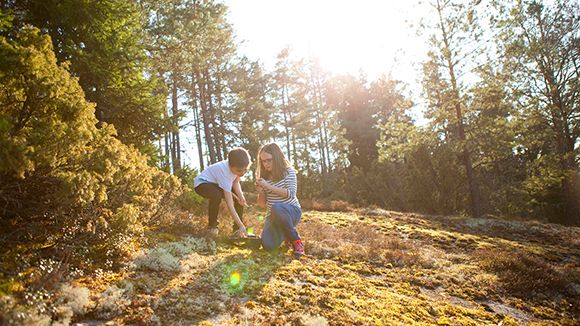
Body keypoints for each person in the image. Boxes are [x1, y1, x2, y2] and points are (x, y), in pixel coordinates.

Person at [255, 143, 304, 258]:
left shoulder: (288, 171)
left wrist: (267, 186)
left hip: (291, 211)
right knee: (268, 246)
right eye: (263, 161)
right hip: (273, 216)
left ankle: (297, 241)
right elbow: (262, 205)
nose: (266, 164)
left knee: (277, 207)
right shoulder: (264, 177)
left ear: (277, 158)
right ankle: (286, 234)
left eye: (269, 160)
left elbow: (290, 194)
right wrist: (261, 191)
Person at [194, 147, 251, 238]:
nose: (243, 173)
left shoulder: (236, 167)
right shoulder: (224, 173)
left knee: (238, 199)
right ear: (230, 166)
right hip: (202, 184)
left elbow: (236, 182)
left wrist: (241, 196)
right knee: (216, 195)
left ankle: (237, 230)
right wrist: (242, 225)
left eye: (245, 170)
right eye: (239, 171)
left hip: (216, 184)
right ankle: (212, 227)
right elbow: (230, 204)